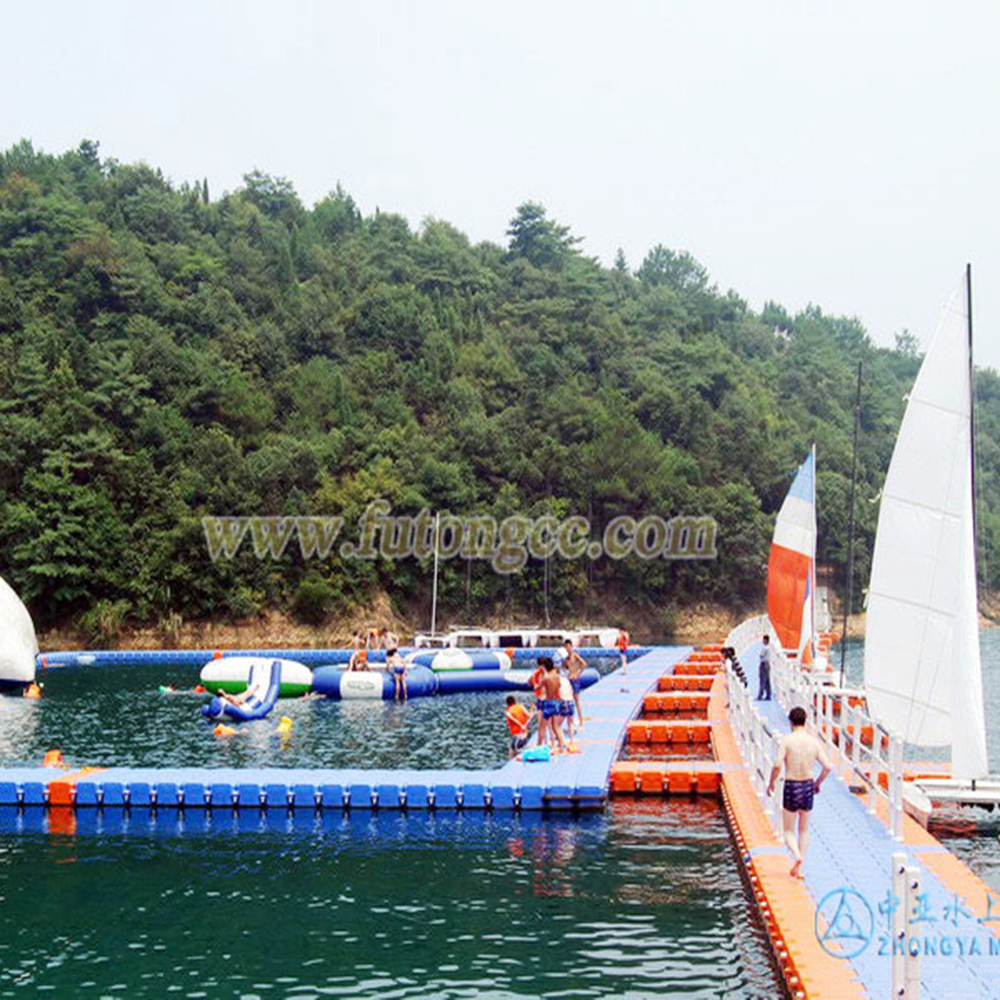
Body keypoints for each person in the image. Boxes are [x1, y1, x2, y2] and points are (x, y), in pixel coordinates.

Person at [767, 706, 832, 878]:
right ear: (805, 722)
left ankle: (796, 856)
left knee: (788, 831)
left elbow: (777, 764)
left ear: (790, 722)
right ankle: (800, 866)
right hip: (808, 786)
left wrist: (771, 783)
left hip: (792, 785)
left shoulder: (787, 741)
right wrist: (817, 783)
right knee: (804, 830)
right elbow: (828, 766)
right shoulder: (813, 742)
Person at [541, 659, 567, 752]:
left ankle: (543, 745)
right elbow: (559, 686)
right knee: (555, 726)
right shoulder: (557, 677)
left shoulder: (546, 678)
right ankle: (561, 745)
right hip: (556, 702)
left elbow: (539, 687)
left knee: (543, 725)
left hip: (548, 702)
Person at [563, 640, 587, 729]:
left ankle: (581, 722)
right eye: (566, 647)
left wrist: (578, 673)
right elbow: (564, 666)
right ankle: (572, 721)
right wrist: (567, 674)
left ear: (571, 646)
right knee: (570, 701)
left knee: (577, 702)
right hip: (570, 680)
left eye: (569, 646)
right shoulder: (566, 658)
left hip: (575, 679)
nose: (567, 648)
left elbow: (584, 664)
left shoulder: (575, 655)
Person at [529, 659, 548, 746]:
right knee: (540, 723)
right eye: (539, 666)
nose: (540, 667)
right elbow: (534, 686)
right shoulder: (538, 675)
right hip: (540, 699)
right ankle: (541, 743)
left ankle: (549, 742)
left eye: (542, 666)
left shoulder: (548, 675)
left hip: (547, 700)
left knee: (549, 724)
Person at [758, 635, 773, 701]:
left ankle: (760, 695)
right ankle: (768, 695)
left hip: (764, 664)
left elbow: (761, 655)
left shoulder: (765, 648)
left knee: (763, 680)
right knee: (767, 681)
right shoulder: (769, 648)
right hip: (768, 664)